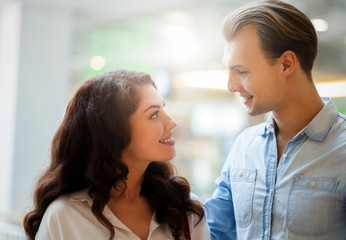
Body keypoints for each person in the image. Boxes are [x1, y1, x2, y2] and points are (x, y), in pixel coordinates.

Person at [205, 0, 346, 239]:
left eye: (242, 71)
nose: (230, 86)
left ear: (286, 64)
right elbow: (213, 231)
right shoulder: (244, 146)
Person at [23, 70, 210, 240]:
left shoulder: (186, 209)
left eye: (164, 109)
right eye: (154, 114)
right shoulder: (64, 217)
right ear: (112, 131)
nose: (172, 122)